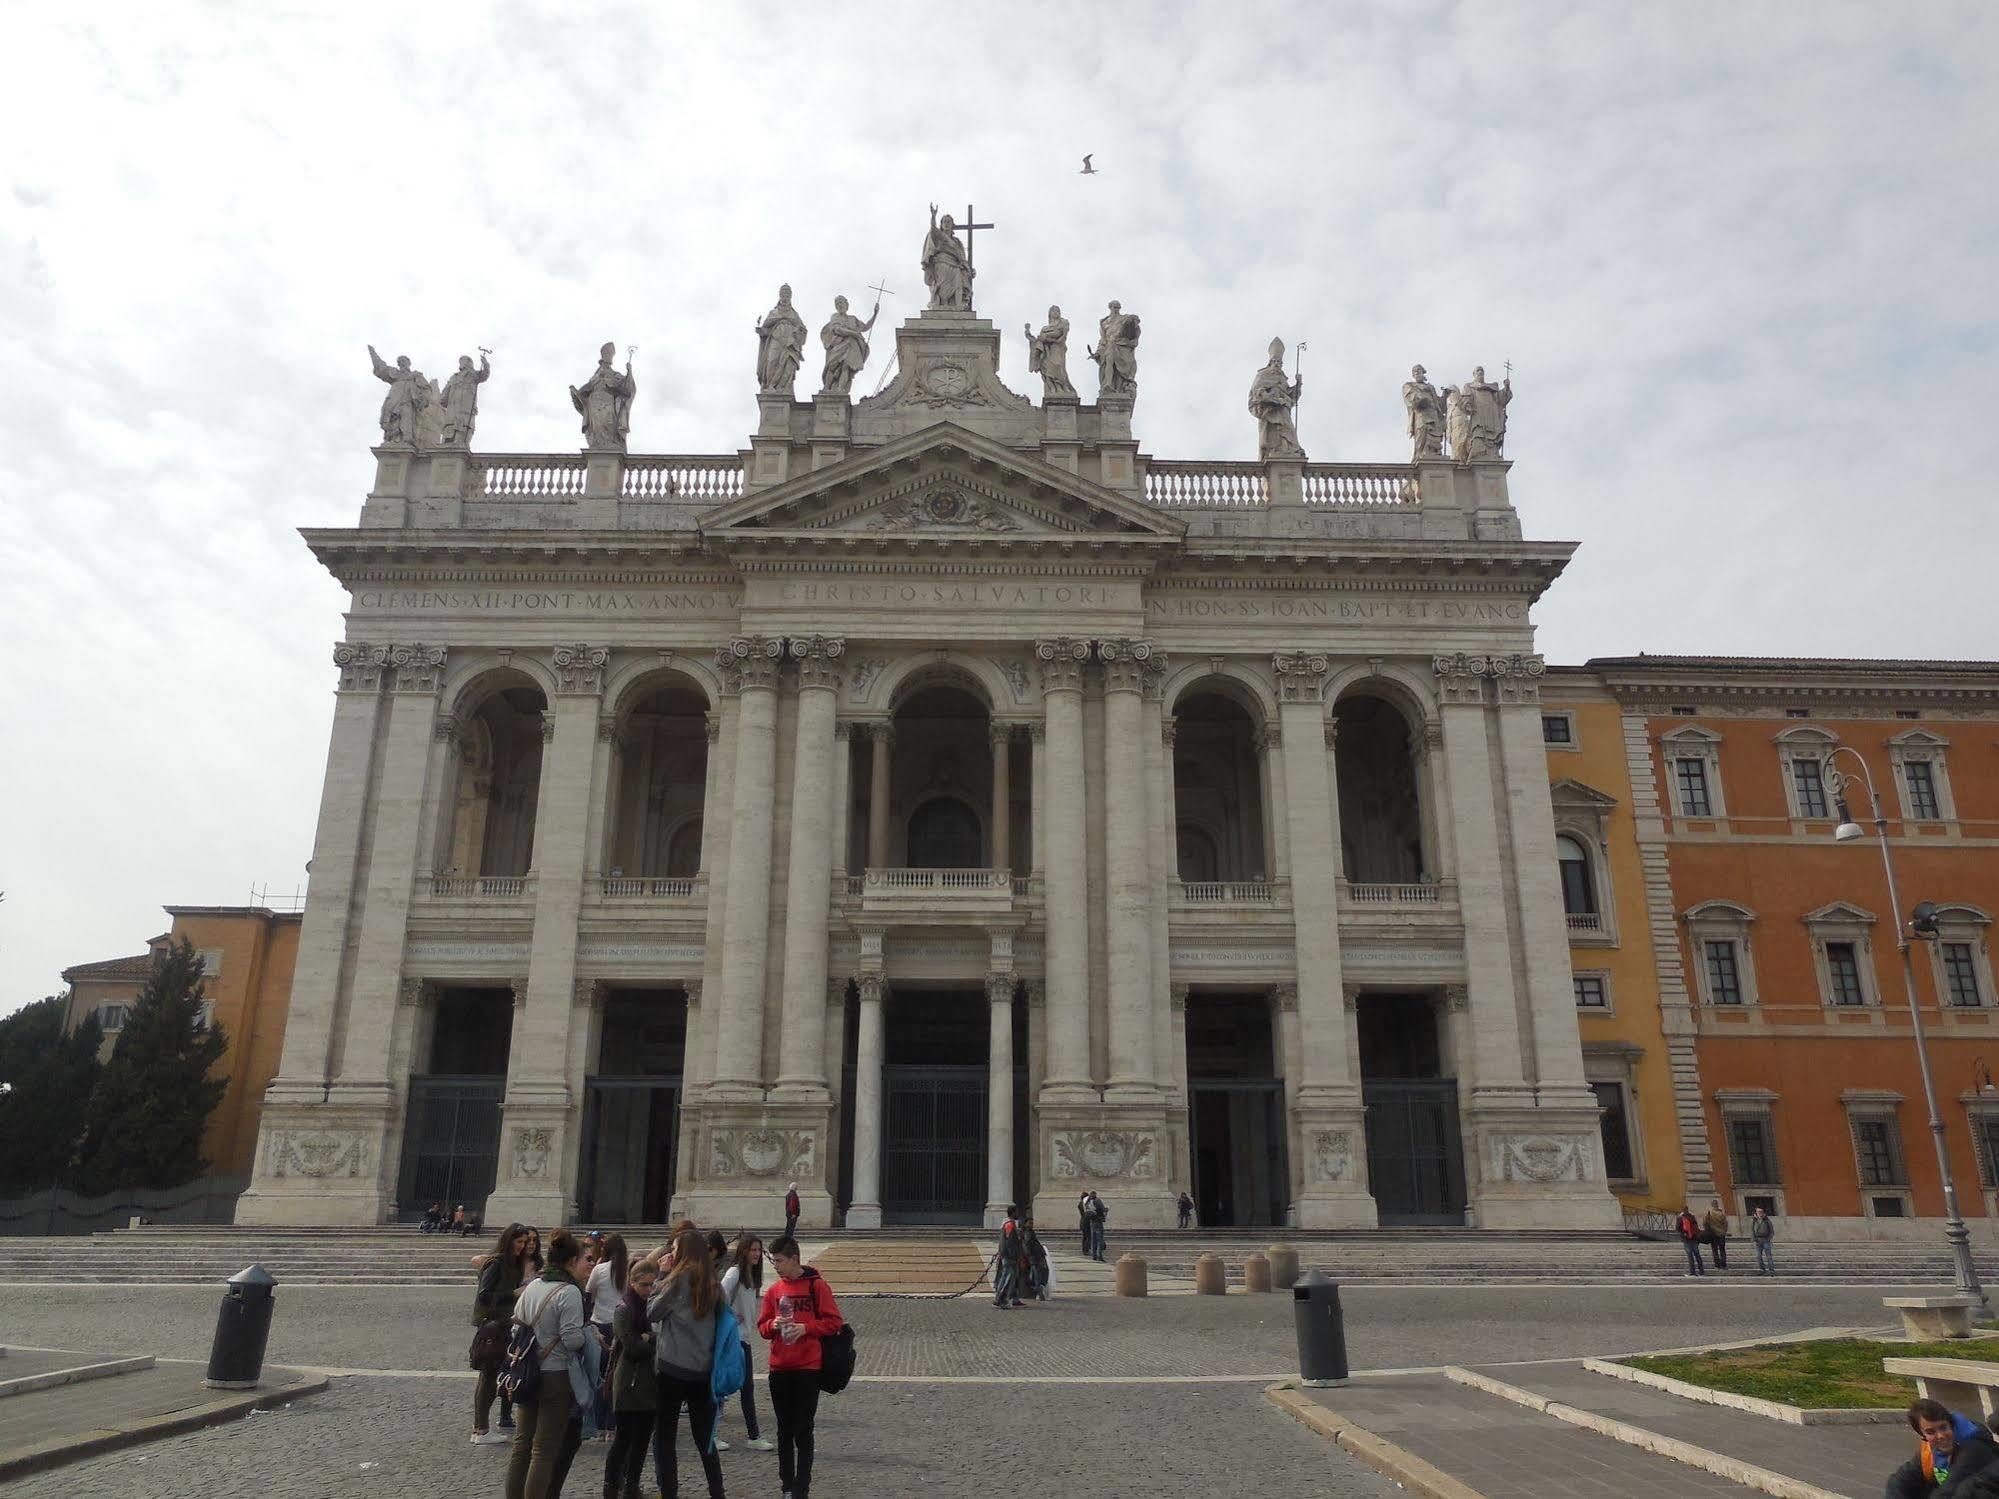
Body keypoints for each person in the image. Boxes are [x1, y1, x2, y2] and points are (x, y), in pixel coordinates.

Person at [505, 1228, 589, 1499]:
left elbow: (517, 1321)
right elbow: (572, 1339)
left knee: (522, 1445)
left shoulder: (534, 1286)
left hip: (527, 1370)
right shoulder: (570, 1292)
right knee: (544, 1449)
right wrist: (588, 1335)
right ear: (571, 1261)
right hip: (555, 1374)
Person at [759, 1235, 843, 1499]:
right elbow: (762, 1327)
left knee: (803, 1429)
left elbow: (834, 1323)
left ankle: (801, 1488)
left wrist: (806, 1328)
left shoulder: (816, 1287)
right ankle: (786, 1485)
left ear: (795, 1258)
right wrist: (772, 1326)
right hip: (779, 1368)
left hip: (808, 1367)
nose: (776, 1266)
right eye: (773, 1261)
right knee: (783, 1429)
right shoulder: (773, 1291)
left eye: (780, 1261)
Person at [648, 1227, 727, 1499]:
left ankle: (669, 1491)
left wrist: (660, 1275)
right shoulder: (713, 1282)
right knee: (704, 1436)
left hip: (672, 1367)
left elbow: (653, 1311)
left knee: (665, 1436)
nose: (670, 1252)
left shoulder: (679, 1278)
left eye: (674, 1248)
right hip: (702, 1370)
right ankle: (717, 1491)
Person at [605, 1254, 661, 1499]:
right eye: (644, 1285)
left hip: (649, 1382)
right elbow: (632, 1346)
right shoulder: (623, 1309)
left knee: (641, 1441)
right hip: (628, 1380)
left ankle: (631, 1486)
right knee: (624, 1439)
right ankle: (610, 1485)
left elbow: (657, 1337)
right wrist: (650, 1341)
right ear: (632, 1282)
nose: (648, 1290)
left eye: (652, 1284)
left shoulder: (651, 1307)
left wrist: (650, 1338)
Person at [472, 1222, 534, 1445]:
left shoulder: (511, 1264)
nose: (522, 1246)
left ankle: (481, 1428)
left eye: (525, 1242)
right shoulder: (496, 1264)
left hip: (502, 1324)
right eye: (519, 1242)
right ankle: (481, 1430)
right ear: (508, 1241)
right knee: (488, 1377)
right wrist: (514, 1294)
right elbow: (485, 1295)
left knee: (490, 1376)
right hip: (492, 1325)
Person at [718, 1233, 775, 1451]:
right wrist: (730, 1316)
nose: (757, 1254)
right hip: (732, 1337)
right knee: (722, 1385)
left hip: (745, 1338)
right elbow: (719, 1296)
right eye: (753, 1250)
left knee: (747, 1387)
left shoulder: (752, 1276)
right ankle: (712, 1433)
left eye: (759, 1250)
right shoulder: (734, 1273)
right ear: (743, 1251)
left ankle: (753, 1435)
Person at [1886, 1398, 1996, 1496]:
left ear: (1951, 1425)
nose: (1940, 1436)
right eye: (1930, 1432)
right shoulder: (1929, 1448)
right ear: (1922, 1434)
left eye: (1943, 1427)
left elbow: (1948, 1491)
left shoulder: (1974, 1447)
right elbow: (1900, 1479)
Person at [585, 1234, 629, 1440]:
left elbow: (589, 1294)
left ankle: (599, 1424)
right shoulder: (626, 1272)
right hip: (619, 1327)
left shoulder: (599, 1269)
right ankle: (612, 1426)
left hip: (600, 1325)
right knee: (615, 1379)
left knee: (599, 1377)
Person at [993, 1208, 1029, 1310]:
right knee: (1007, 1278)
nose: (1018, 1214)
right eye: (1016, 1212)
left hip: (1009, 1256)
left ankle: (1013, 1298)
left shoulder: (1009, 1224)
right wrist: (1014, 1254)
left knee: (1011, 1278)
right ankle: (1000, 1299)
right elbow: (1009, 1242)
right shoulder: (1010, 1225)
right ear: (1013, 1213)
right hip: (1010, 1257)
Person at [1023, 1215, 1051, 1301]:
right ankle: (1038, 1291)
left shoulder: (1030, 1232)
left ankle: (1037, 1290)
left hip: (1035, 1256)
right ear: (1025, 1223)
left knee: (1038, 1273)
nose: (1032, 1224)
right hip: (1033, 1256)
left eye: (1032, 1223)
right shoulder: (1027, 1232)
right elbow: (1028, 1244)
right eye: (1030, 1223)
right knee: (1037, 1274)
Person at [1675, 1206, 1706, 1277]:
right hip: (1693, 1238)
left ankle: (1693, 1272)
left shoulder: (1680, 1218)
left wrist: (1683, 1234)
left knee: (1691, 1256)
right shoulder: (1692, 1216)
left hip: (1687, 1239)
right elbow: (1696, 1227)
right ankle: (1701, 1271)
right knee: (1696, 1255)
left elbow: (1677, 1229)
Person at [1703, 1199, 1730, 1271]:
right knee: (1722, 1250)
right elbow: (1726, 1223)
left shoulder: (1709, 1213)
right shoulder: (1722, 1214)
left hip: (1713, 1234)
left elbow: (1705, 1222)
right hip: (1721, 1234)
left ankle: (1717, 1265)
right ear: (1717, 1204)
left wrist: (1707, 1231)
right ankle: (1723, 1265)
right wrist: (1724, 1231)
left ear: (1712, 1205)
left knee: (1714, 1250)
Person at [1750, 1206, 1776, 1275]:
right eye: (1758, 1212)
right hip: (1757, 1240)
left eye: (1760, 1212)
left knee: (1769, 1256)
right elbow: (1752, 1230)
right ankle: (1762, 1268)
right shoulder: (1754, 1220)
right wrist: (1753, 1238)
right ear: (1756, 1212)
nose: (1759, 1213)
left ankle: (1771, 1270)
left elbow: (1772, 1231)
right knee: (1758, 1256)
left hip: (1766, 1240)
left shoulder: (1767, 1220)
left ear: (1763, 1212)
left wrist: (1769, 1238)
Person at [1089, 1191, 1109, 1262]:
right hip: (1098, 1222)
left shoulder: (1089, 1202)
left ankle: (1094, 1256)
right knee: (1100, 1240)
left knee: (1093, 1240)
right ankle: (1099, 1256)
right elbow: (1103, 1209)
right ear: (1095, 1194)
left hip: (1092, 1222)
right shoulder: (1098, 1200)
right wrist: (1107, 1209)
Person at [1077, 1191, 1093, 1257]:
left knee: (1085, 1237)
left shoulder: (1081, 1204)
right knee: (1087, 1236)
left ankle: (1085, 1250)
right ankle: (1086, 1250)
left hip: (1083, 1221)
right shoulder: (1084, 1204)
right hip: (1086, 1222)